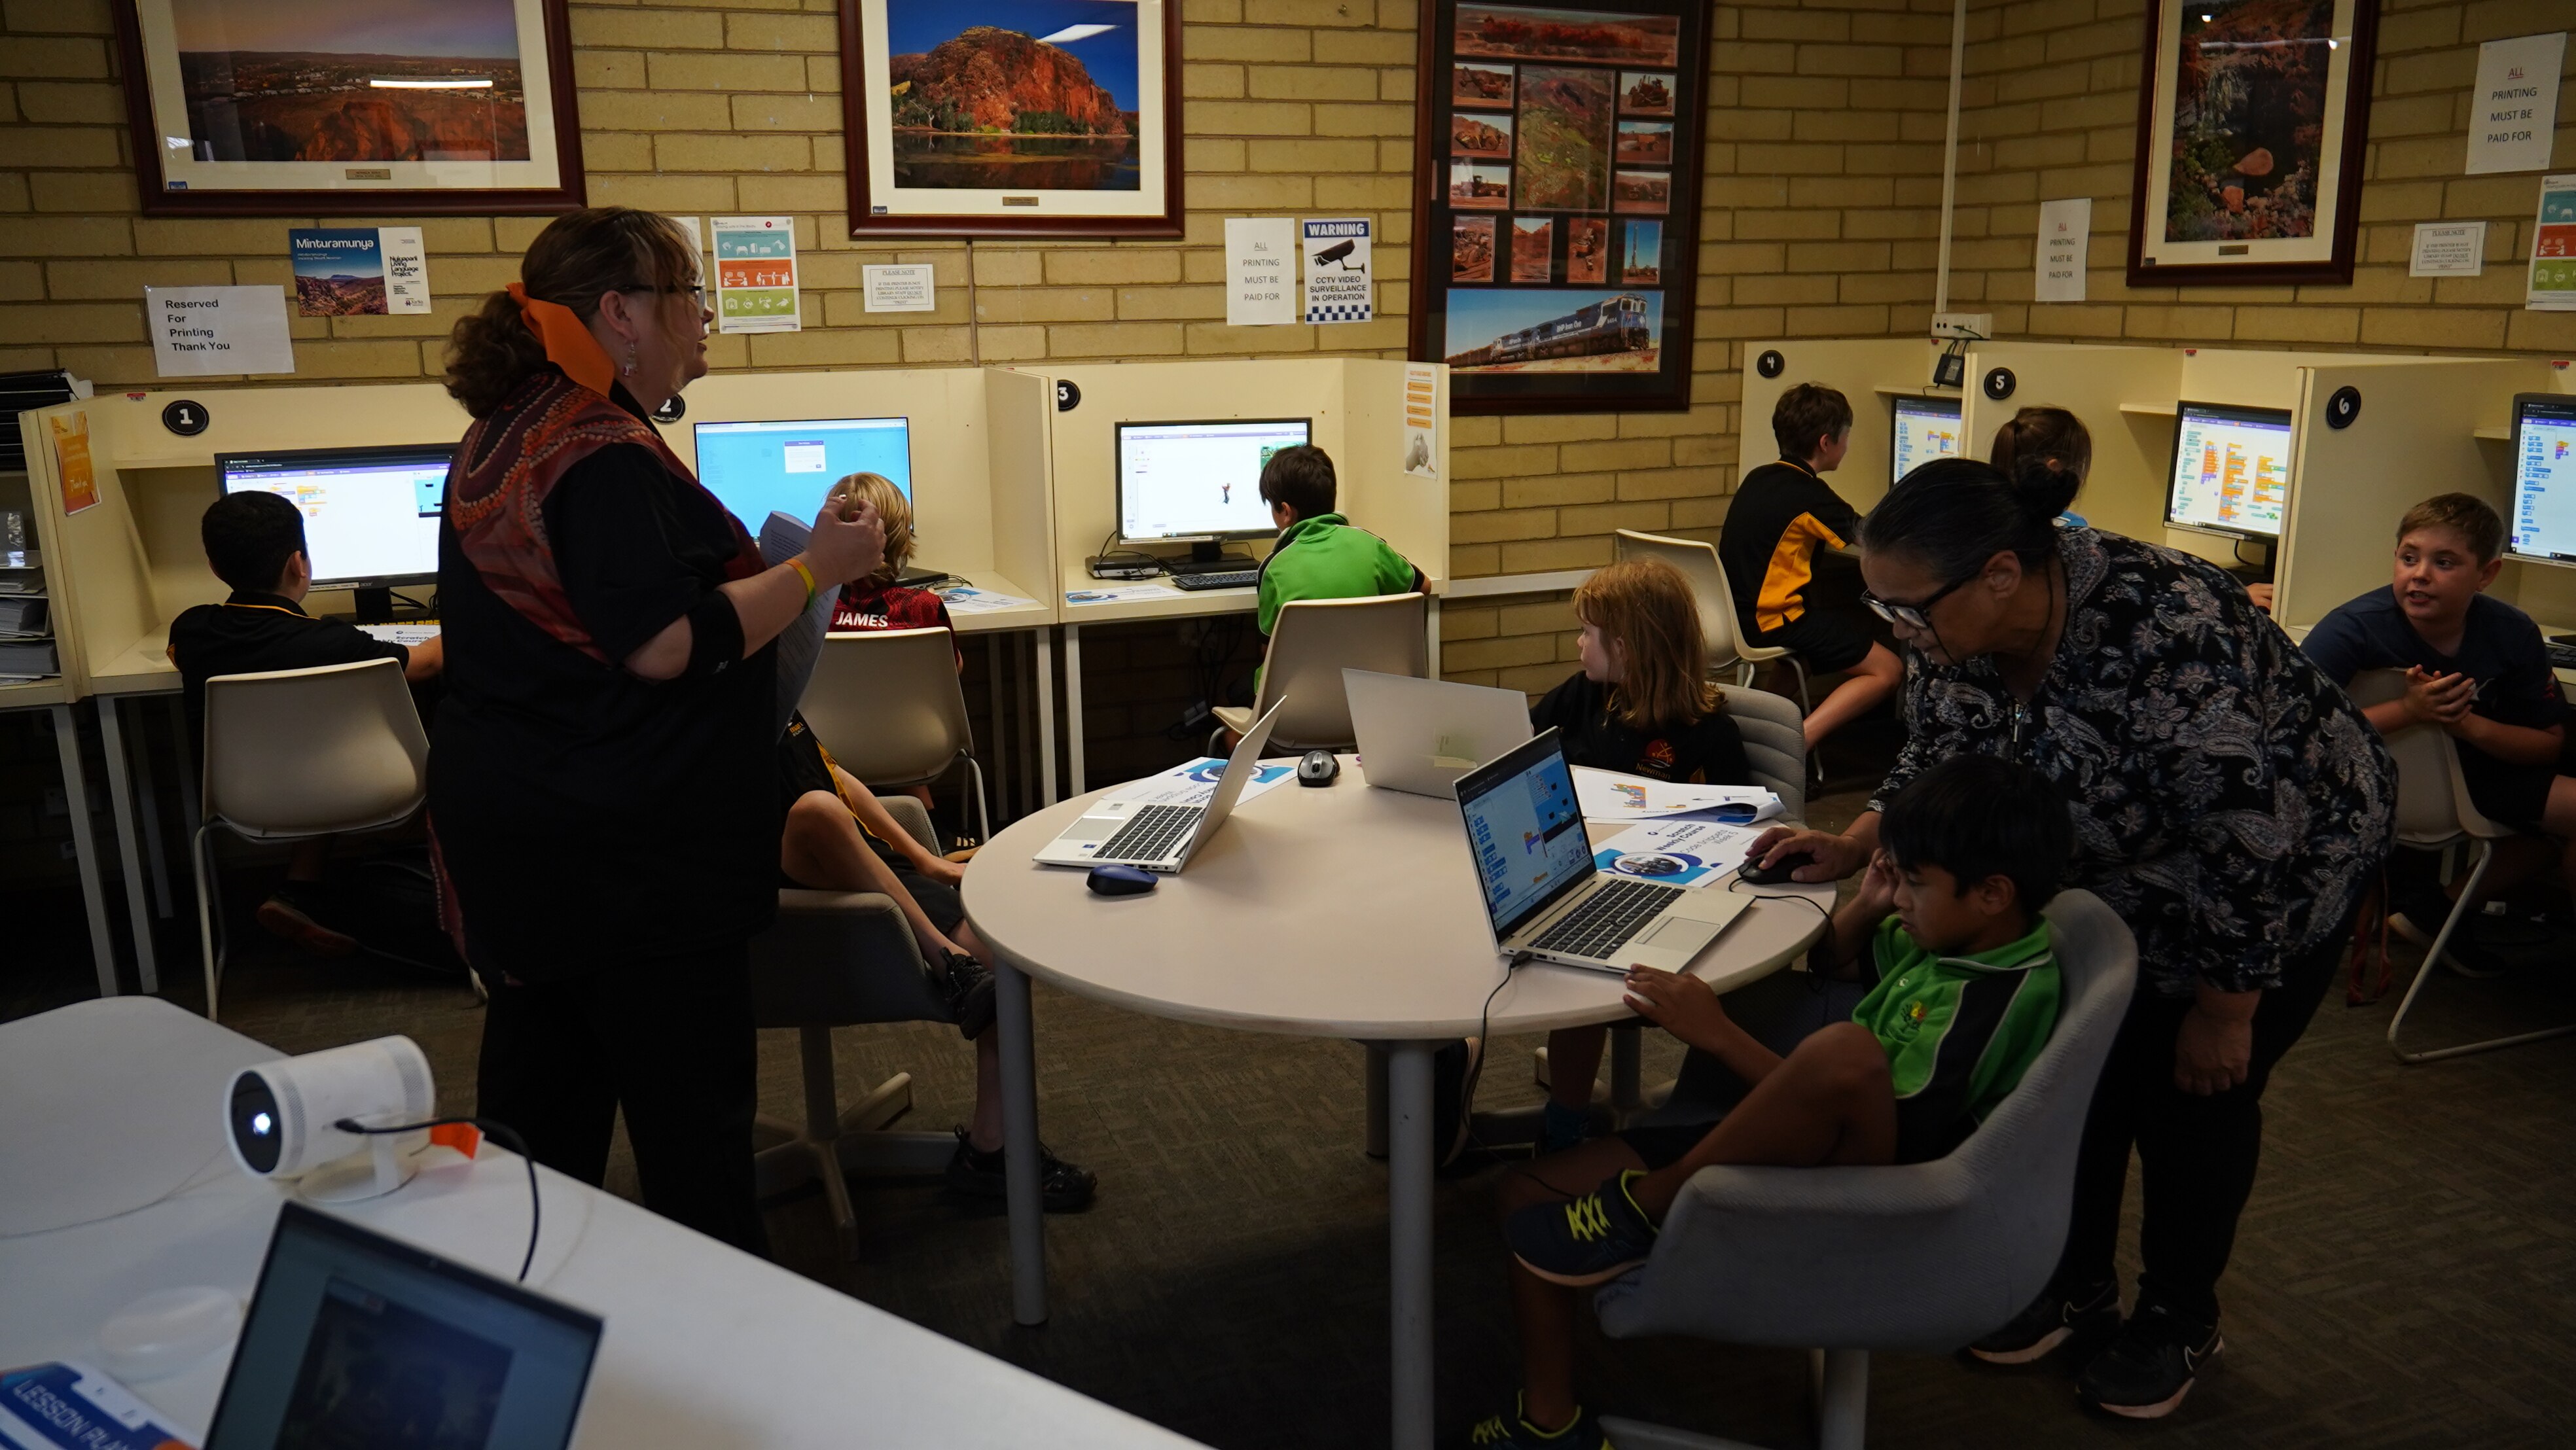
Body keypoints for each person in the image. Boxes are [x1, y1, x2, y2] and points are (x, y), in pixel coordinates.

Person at [1744, 433, 2394, 1419]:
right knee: (2078, 1076)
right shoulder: (1958, 636)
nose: (1898, 630)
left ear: (2002, 574)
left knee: (2192, 1096)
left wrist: (2226, 1008)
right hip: (2111, 868)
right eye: (1881, 607)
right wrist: (1855, 843)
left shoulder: (2168, 624)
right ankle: (2073, 1286)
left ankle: (2178, 1315)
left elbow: (2248, 828)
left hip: (2280, 870)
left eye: (1909, 609)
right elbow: (1941, 754)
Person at [431, 207, 887, 1256]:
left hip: (535, 836)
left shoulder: (518, 424)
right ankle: (715, 1365)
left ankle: (533, 1320)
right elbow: (664, 647)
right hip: (626, 857)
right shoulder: (597, 454)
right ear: (621, 315)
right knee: (690, 1130)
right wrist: (818, 568)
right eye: (691, 298)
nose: (706, 322)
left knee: (546, 1111)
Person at [1462, 756, 2072, 1449]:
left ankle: (1645, 1204)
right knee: (1524, 1193)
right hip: (1803, 1137)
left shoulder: (2001, 993)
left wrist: (1716, 1034)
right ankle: (1550, 1422)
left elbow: (1890, 1126)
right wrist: (1870, 903)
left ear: (1993, 892)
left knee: (1846, 1048)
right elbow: (1834, 965)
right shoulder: (1960, 939)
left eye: (1914, 882)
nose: (1899, 896)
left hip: (1871, 1192)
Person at [776, 711, 1098, 1210]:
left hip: (863, 866)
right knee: (817, 809)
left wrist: (927, 859)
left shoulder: (773, 686)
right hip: (794, 892)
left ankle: (991, 1150)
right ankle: (948, 959)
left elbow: (835, 775)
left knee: (998, 937)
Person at [1526, 557, 1752, 1158]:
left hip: (1663, 895)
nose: (1577, 645)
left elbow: (1740, 829)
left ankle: (1565, 1125)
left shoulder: (1707, 734)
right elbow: (1520, 752)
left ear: (1625, 648)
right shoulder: (1582, 697)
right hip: (1576, 871)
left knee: (1577, 960)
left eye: (1588, 635)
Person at [2300, 493, 2571, 968]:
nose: (2419, 574)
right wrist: (2409, 709)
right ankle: (2440, 912)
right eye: (2408, 558)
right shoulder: (2354, 628)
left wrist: (2466, 724)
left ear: (2487, 574)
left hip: (2479, 773)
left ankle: (2433, 913)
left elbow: (2548, 746)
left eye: (2444, 563)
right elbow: (2295, 730)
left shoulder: (2511, 631)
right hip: (2379, 787)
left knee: (2555, 828)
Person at [169, 489, 444, 955]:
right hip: (367, 793)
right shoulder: (333, 642)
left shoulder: (192, 630)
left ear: (215, 568)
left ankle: (301, 891)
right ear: (300, 564)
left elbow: (179, 658)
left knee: (301, 745)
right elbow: (426, 666)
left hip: (246, 798)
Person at [1716, 383, 1904, 749]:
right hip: (1773, 623)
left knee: (1801, 657)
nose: (1847, 446)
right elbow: (1871, 538)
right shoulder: (1809, 495)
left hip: (1734, 616)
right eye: (1846, 437)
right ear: (1825, 443)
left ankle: (1758, 738)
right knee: (1889, 669)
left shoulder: (1760, 477)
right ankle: (1796, 744)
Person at [1254, 444, 1427, 639]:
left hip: (1304, 670)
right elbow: (1424, 587)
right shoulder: (1370, 545)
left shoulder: (1273, 568)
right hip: (1368, 667)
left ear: (1285, 511)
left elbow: (1268, 647)